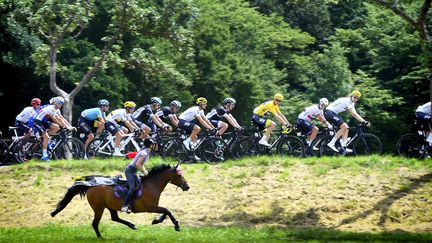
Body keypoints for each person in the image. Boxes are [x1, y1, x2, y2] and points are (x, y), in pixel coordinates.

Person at [121, 137, 156, 213]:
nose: (154, 145)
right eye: (153, 144)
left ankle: (131, 204)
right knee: (132, 188)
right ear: (150, 145)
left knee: (138, 186)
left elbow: (141, 164)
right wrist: (144, 171)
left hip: (133, 171)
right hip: (130, 171)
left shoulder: (146, 152)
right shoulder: (144, 153)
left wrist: (145, 171)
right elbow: (138, 164)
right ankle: (125, 206)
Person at [33, 97, 74, 161]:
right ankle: (44, 156)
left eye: (61, 104)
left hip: (43, 122)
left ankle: (45, 140)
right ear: (55, 102)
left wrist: (70, 126)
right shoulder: (51, 108)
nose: (60, 105)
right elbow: (55, 119)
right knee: (46, 137)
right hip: (37, 121)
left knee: (56, 127)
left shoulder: (57, 110)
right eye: (59, 103)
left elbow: (62, 118)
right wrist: (63, 126)